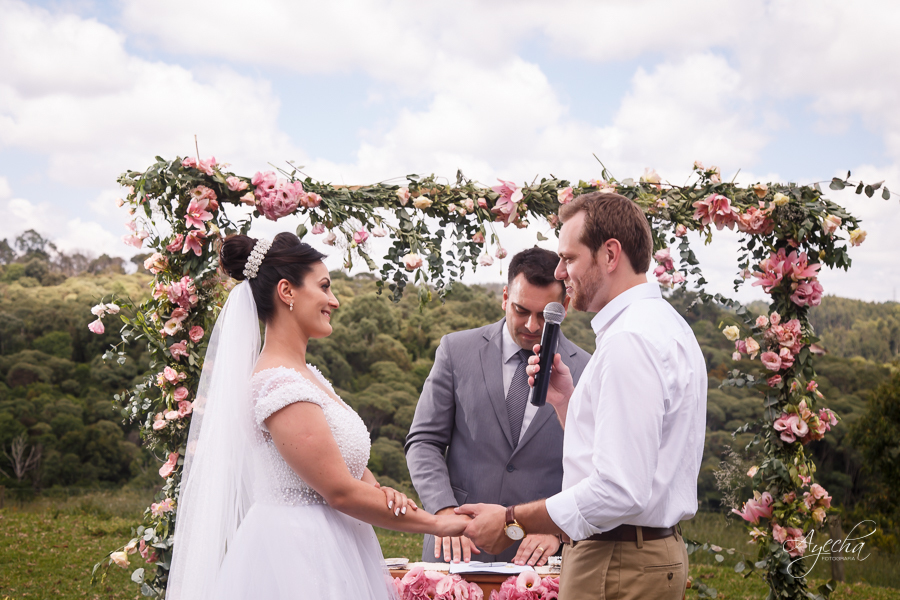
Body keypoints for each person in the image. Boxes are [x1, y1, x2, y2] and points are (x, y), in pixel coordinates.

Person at [166, 232, 470, 600]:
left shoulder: (306, 375)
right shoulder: (278, 386)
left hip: (338, 545)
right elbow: (340, 491)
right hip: (300, 556)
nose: (334, 300)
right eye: (324, 287)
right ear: (287, 291)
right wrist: (437, 524)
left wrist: (380, 492)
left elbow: (344, 467)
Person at [457, 193, 707, 600]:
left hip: (616, 563)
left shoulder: (629, 340)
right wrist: (567, 403)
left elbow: (618, 489)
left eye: (569, 258)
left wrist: (511, 521)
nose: (560, 272)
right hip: (636, 556)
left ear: (610, 254)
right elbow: (633, 454)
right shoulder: (665, 325)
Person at [406, 247, 591, 567]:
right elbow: (424, 442)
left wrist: (558, 530)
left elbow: (593, 465)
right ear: (505, 297)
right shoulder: (455, 350)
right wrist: (444, 513)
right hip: (457, 546)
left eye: (543, 314)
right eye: (521, 310)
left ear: (563, 308)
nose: (531, 325)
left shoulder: (588, 370)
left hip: (540, 559)